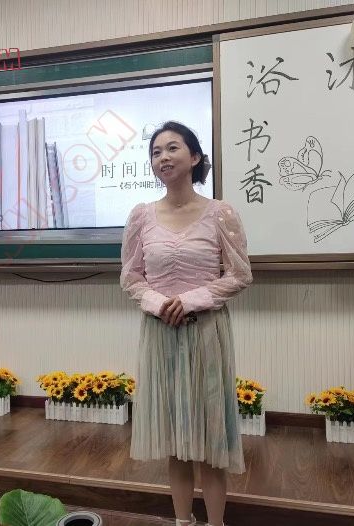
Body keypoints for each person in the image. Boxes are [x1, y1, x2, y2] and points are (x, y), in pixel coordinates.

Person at [120, 121, 253, 526]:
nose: (163, 157)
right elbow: (131, 277)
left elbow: (240, 274)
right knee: (174, 441)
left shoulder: (221, 213)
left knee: (210, 440)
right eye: (156, 152)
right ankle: (182, 521)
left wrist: (191, 299)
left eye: (172, 148)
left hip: (206, 334)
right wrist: (159, 304)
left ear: (195, 157)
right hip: (161, 334)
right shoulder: (141, 216)